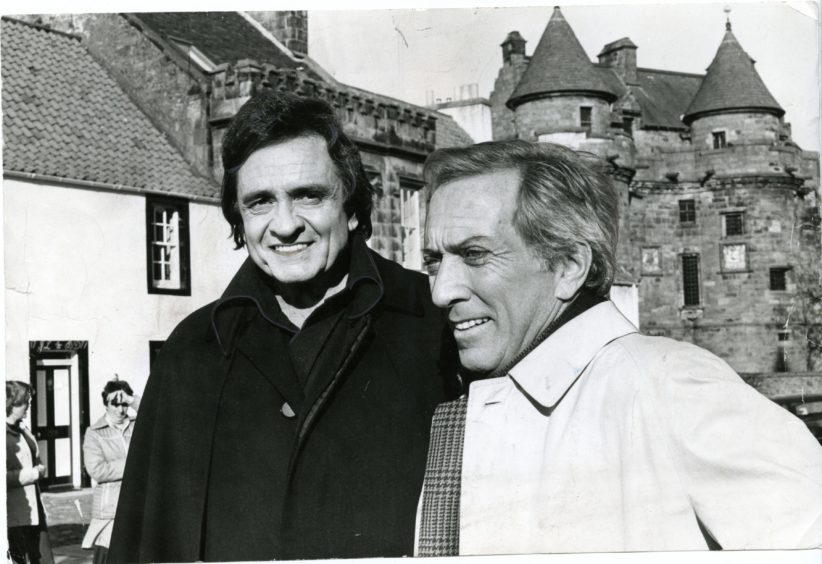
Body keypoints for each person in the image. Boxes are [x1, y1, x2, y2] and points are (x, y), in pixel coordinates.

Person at [415, 140, 822, 555]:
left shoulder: (667, 385)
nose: (441, 291)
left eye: (474, 254)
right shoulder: (470, 394)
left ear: (570, 266)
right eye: (433, 261)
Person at [109, 91, 459, 562]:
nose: (285, 225)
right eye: (260, 203)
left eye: (308, 196)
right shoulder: (194, 348)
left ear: (352, 208)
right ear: (239, 219)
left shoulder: (433, 321)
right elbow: (144, 537)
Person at [81, 379, 140, 564]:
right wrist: (133, 465)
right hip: (111, 508)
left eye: (124, 404)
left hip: (139, 501)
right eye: (115, 404)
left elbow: (159, 416)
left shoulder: (137, 425)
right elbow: (96, 469)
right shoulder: (95, 432)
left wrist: (133, 400)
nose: (120, 410)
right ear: (106, 404)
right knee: (109, 556)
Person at [6, 380, 54, 564]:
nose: (29, 405)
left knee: (42, 558)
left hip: (34, 511)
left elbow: (34, 457)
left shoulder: (23, 428)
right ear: (12, 403)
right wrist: (34, 473)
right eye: (25, 401)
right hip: (16, 513)